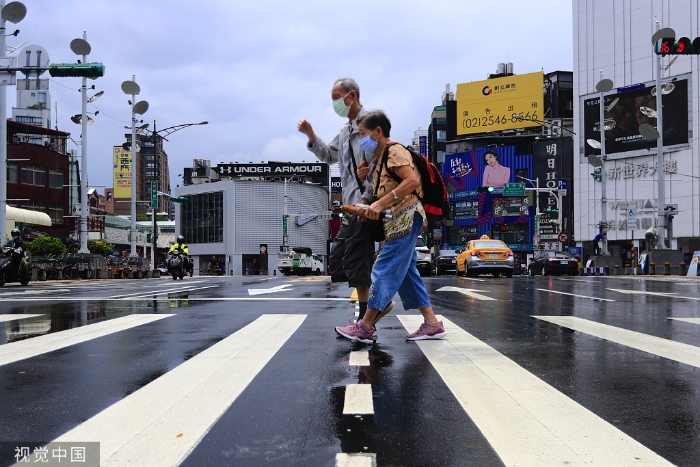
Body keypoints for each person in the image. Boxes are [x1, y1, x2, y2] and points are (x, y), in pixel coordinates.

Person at [334, 110, 446, 344]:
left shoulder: (394, 151)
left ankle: (365, 326)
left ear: (378, 131)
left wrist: (379, 203)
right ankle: (432, 324)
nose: (360, 139)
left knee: (383, 268)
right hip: (397, 219)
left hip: (406, 217)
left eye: (363, 134)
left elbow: (412, 181)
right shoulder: (379, 159)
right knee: (407, 273)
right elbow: (380, 191)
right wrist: (366, 207)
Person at [298, 78, 394, 326]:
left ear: (351, 96)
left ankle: (366, 318)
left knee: (358, 262)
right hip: (350, 207)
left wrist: (367, 198)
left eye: (336, 98)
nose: (334, 104)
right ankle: (375, 307)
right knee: (341, 259)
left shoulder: (368, 127)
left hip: (364, 206)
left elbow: (378, 164)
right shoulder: (344, 132)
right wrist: (311, 136)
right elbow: (328, 155)